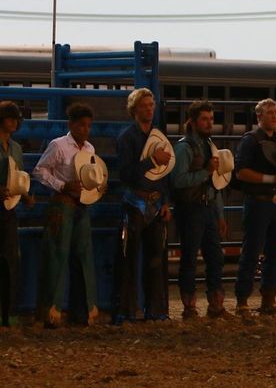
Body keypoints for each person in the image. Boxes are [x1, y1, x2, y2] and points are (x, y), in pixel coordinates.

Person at [33, 102, 103, 327]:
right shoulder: (59, 145)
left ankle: (78, 311)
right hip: (62, 204)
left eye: (88, 126)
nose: (86, 130)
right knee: (58, 256)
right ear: (71, 124)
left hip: (80, 205)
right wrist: (62, 186)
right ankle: (52, 312)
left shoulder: (89, 149)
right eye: (82, 125)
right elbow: (40, 170)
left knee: (81, 256)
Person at [113, 88, 172, 323]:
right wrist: (151, 160)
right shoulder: (126, 137)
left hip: (155, 202)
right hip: (134, 202)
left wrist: (166, 201)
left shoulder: (158, 135)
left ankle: (155, 310)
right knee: (130, 259)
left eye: (151, 104)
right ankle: (127, 311)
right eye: (145, 105)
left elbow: (165, 173)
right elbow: (126, 174)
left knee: (156, 259)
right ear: (135, 109)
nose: (149, 108)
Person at [234, 98, 276, 317]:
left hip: (275, 204)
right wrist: (272, 179)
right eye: (270, 112)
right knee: (251, 252)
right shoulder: (250, 140)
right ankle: (242, 300)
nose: (275, 116)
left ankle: (268, 299)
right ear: (259, 116)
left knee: (274, 254)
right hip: (258, 201)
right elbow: (241, 172)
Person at [171, 100, 229, 319]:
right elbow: (178, 180)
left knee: (215, 257)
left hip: (207, 208)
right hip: (190, 209)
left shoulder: (208, 146)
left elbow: (217, 184)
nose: (209, 123)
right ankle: (189, 307)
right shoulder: (184, 147)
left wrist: (220, 214)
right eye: (205, 119)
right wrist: (205, 171)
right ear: (193, 122)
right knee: (189, 259)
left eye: (211, 119)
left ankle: (215, 305)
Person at [0, 102, 33, 327]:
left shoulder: (16, 149)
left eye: (15, 118)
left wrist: (26, 195)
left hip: (9, 207)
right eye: (10, 118)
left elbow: (19, 179)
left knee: (10, 260)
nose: (14, 122)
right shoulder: (15, 149)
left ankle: (8, 312)